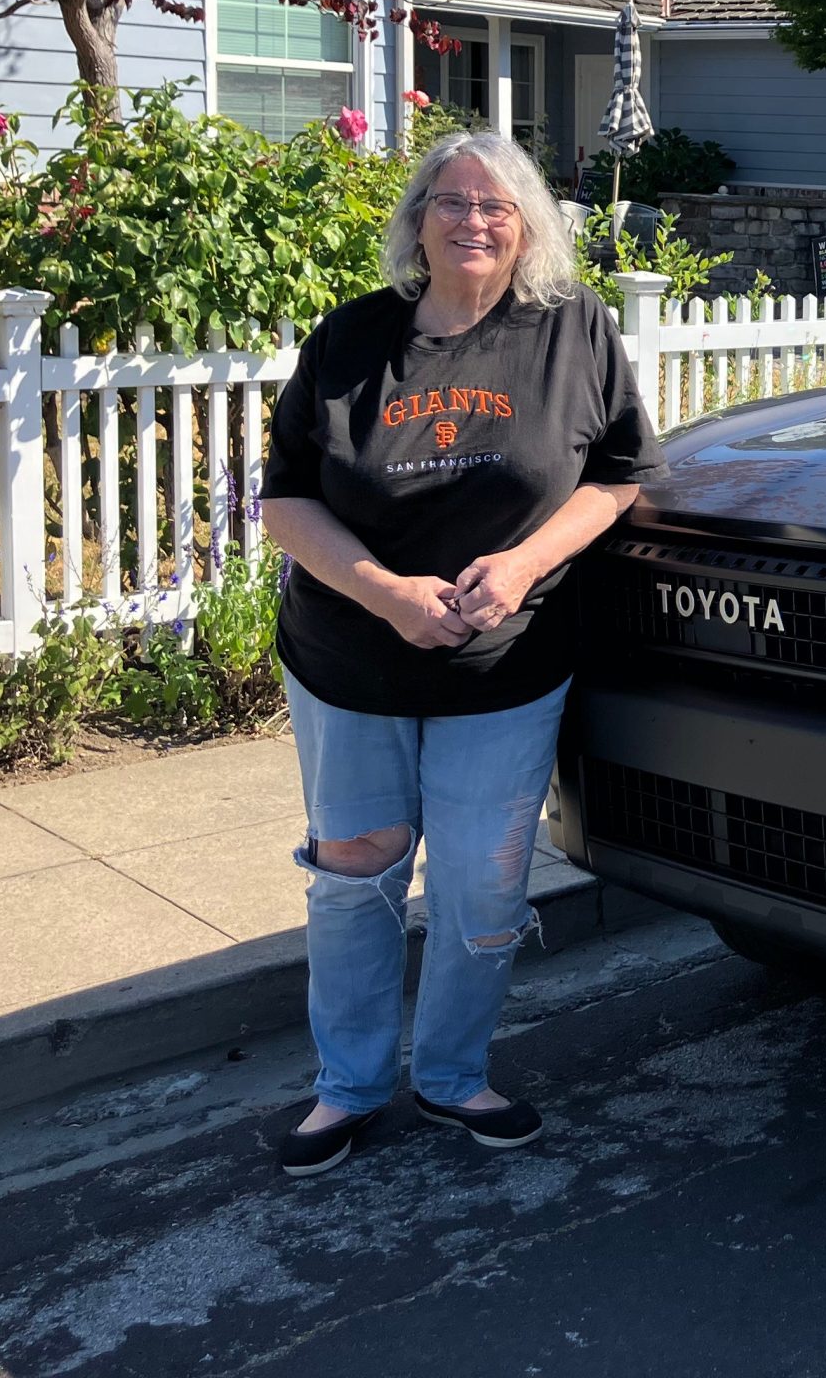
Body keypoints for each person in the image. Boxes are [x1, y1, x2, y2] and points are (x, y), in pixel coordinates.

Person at [260, 130, 658, 1177]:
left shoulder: (573, 331)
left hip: (508, 668)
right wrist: (385, 592)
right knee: (356, 872)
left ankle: (449, 1075)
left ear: (525, 225)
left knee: (484, 886)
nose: (473, 221)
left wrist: (526, 564)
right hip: (351, 659)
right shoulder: (352, 340)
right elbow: (286, 501)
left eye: (496, 205)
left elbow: (617, 477)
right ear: (417, 219)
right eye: (452, 201)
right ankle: (345, 1088)